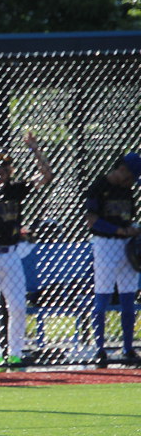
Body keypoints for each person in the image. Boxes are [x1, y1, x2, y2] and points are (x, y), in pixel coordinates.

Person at [0, 129, 54, 370]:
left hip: (11, 253)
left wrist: (34, 149)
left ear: (10, 171)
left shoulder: (16, 190)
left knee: (17, 305)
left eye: (4, 168)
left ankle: (15, 354)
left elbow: (46, 176)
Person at [85, 150, 141, 366]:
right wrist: (119, 231)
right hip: (105, 245)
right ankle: (99, 349)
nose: (132, 182)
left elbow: (128, 219)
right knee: (103, 296)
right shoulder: (99, 186)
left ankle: (127, 348)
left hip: (126, 246)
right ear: (122, 169)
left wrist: (133, 230)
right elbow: (91, 220)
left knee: (128, 297)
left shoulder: (127, 191)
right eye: (131, 177)